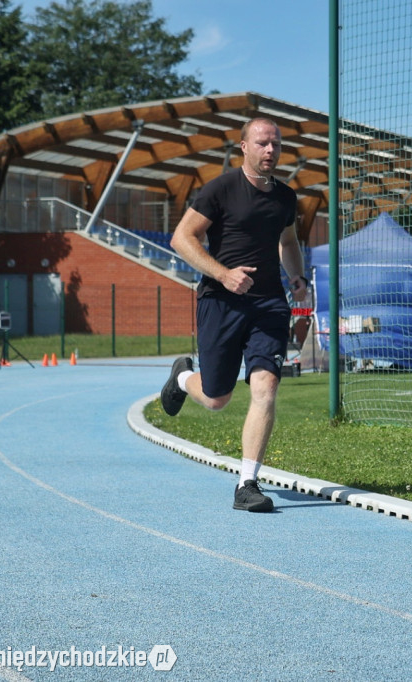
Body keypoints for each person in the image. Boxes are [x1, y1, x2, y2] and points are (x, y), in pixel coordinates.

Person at [160, 117, 308, 513]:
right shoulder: (220, 189)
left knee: (266, 387)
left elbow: (289, 241)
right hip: (220, 301)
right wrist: (223, 274)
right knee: (216, 399)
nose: (270, 151)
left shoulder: (286, 198)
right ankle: (182, 376)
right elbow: (181, 238)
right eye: (262, 143)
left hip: (269, 304)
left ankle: (247, 484)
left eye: (276, 144)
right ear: (243, 147)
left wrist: (297, 276)